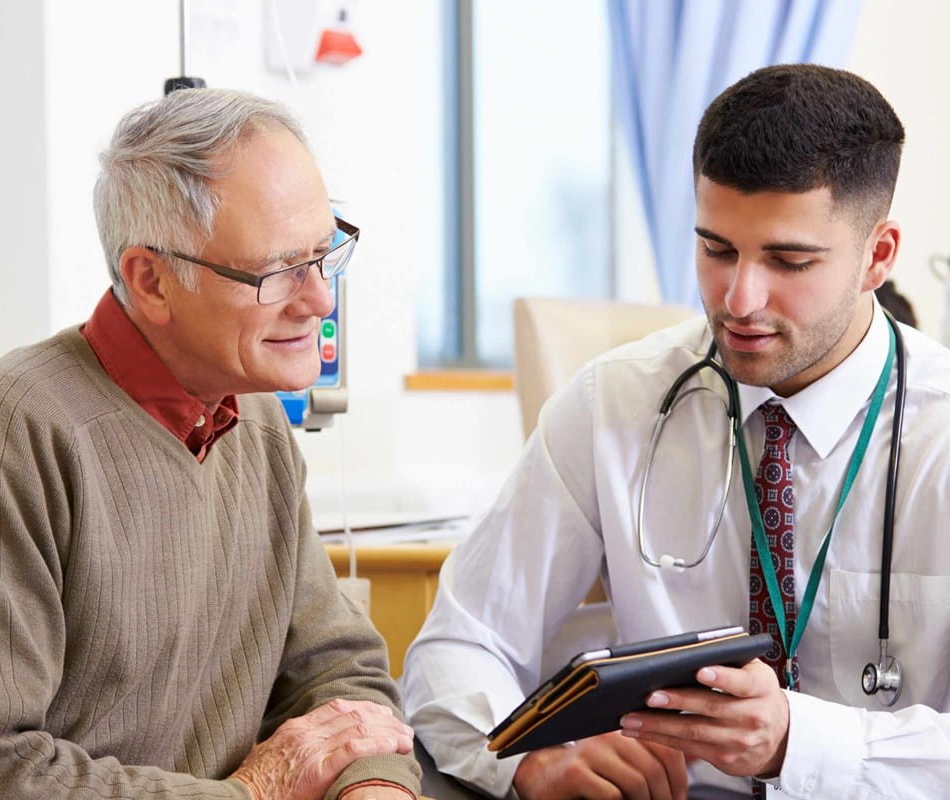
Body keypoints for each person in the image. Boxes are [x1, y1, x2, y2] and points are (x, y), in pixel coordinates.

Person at [401, 64, 950, 800]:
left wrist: (797, 741)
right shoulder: (613, 404)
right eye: (716, 249)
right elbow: (459, 643)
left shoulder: (938, 433)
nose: (739, 299)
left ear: (876, 257)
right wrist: (524, 759)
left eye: (788, 260)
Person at [0, 88, 420, 800]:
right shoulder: (4, 439)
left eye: (326, 255)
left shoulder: (257, 421)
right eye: (278, 271)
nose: (321, 300)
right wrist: (254, 793)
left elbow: (338, 673)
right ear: (152, 281)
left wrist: (372, 787)